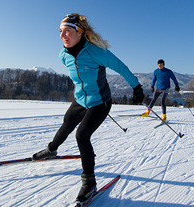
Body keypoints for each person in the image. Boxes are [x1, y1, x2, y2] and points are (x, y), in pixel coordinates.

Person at [32, 13, 144, 204]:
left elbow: (121, 67)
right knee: (66, 125)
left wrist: (137, 87)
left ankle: (90, 183)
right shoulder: (63, 55)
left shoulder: (96, 51)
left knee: (82, 135)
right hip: (80, 100)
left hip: (100, 102)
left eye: (67, 31)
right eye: (60, 31)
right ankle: (51, 150)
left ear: (80, 32)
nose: (62, 35)